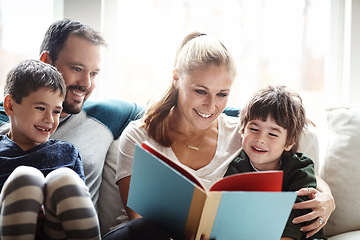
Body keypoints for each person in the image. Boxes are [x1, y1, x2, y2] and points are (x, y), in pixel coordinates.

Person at [104, 32, 334, 240]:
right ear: (176, 78)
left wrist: (327, 197)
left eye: (222, 94)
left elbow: (294, 165)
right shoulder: (138, 135)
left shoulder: (243, 133)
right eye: (200, 91)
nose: (211, 105)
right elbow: (136, 216)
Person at [0, 19, 143, 235]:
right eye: (77, 68)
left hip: (68, 227)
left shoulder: (103, 115)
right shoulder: (10, 111)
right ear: (46, 61)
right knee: (24, 178)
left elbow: (163, 113)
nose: (86, 83)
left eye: (94, 73)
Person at [0, 59, 100, 239]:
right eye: (40, 108)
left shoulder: (68, 153)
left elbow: (81, 208)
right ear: (10, 105)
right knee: (25, 178)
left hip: (57, 231)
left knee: (64, 178)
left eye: (56, 111)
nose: (50, 119)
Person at [225, 85, 326, 240]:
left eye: (272, 134)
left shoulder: (300, 168)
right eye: (254, 128)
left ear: (288, 143)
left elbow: (297, 215)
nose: (260, 139)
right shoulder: (236, 167)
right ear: (242, 129)